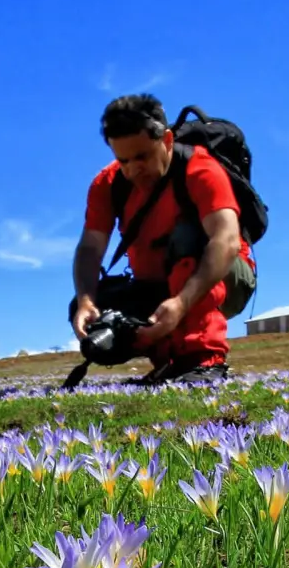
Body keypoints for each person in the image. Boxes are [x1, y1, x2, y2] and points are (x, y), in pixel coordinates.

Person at [70, 93, 255, 385]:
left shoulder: (201, 170)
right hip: (157, 286)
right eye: (123, 160)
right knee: (94, 305)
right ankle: (169, 361)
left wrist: (181, 303)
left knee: (188, 238)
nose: (132, 170)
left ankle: (204, 360)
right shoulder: (107, 184)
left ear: (166, 141)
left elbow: (226, 240)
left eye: (142, 157)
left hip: (226, 277)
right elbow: (90, 247)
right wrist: (85, 301)